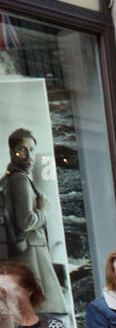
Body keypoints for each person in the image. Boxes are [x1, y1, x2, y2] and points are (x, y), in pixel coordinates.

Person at [3, 129, 64, 313]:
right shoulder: (19, 180)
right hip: (32, 253)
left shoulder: (9, 179)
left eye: (31, 149)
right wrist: (43, 211)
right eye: (23, 148)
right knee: (43, 310)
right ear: (13, 152)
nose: (28, 154)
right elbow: (27, 222)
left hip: (26, 252)